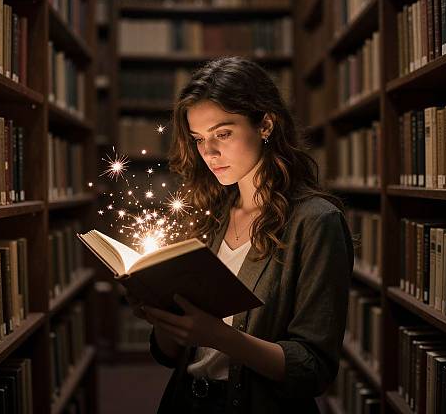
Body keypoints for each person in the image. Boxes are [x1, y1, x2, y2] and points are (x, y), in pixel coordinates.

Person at [128, 57, 354, 413]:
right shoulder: (210, 215)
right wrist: (167, 318)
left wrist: (218, 336)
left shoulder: (317, 222)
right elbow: (172, 355)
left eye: (223, 133)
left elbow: (313, 368)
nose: (209, 152)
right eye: (199, 139)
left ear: (266, 124)